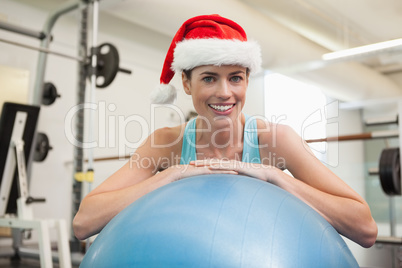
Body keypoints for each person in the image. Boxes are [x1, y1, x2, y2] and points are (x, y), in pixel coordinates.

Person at [73, 14, 377, 248]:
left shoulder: (275, 141)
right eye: (208, 79)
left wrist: (275, 177)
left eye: (235, 78)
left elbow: (365, 229)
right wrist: (172, 174)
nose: (224, 92)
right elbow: (84, 222)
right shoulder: (167, 144)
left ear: (246, 80)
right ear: (186, 83)